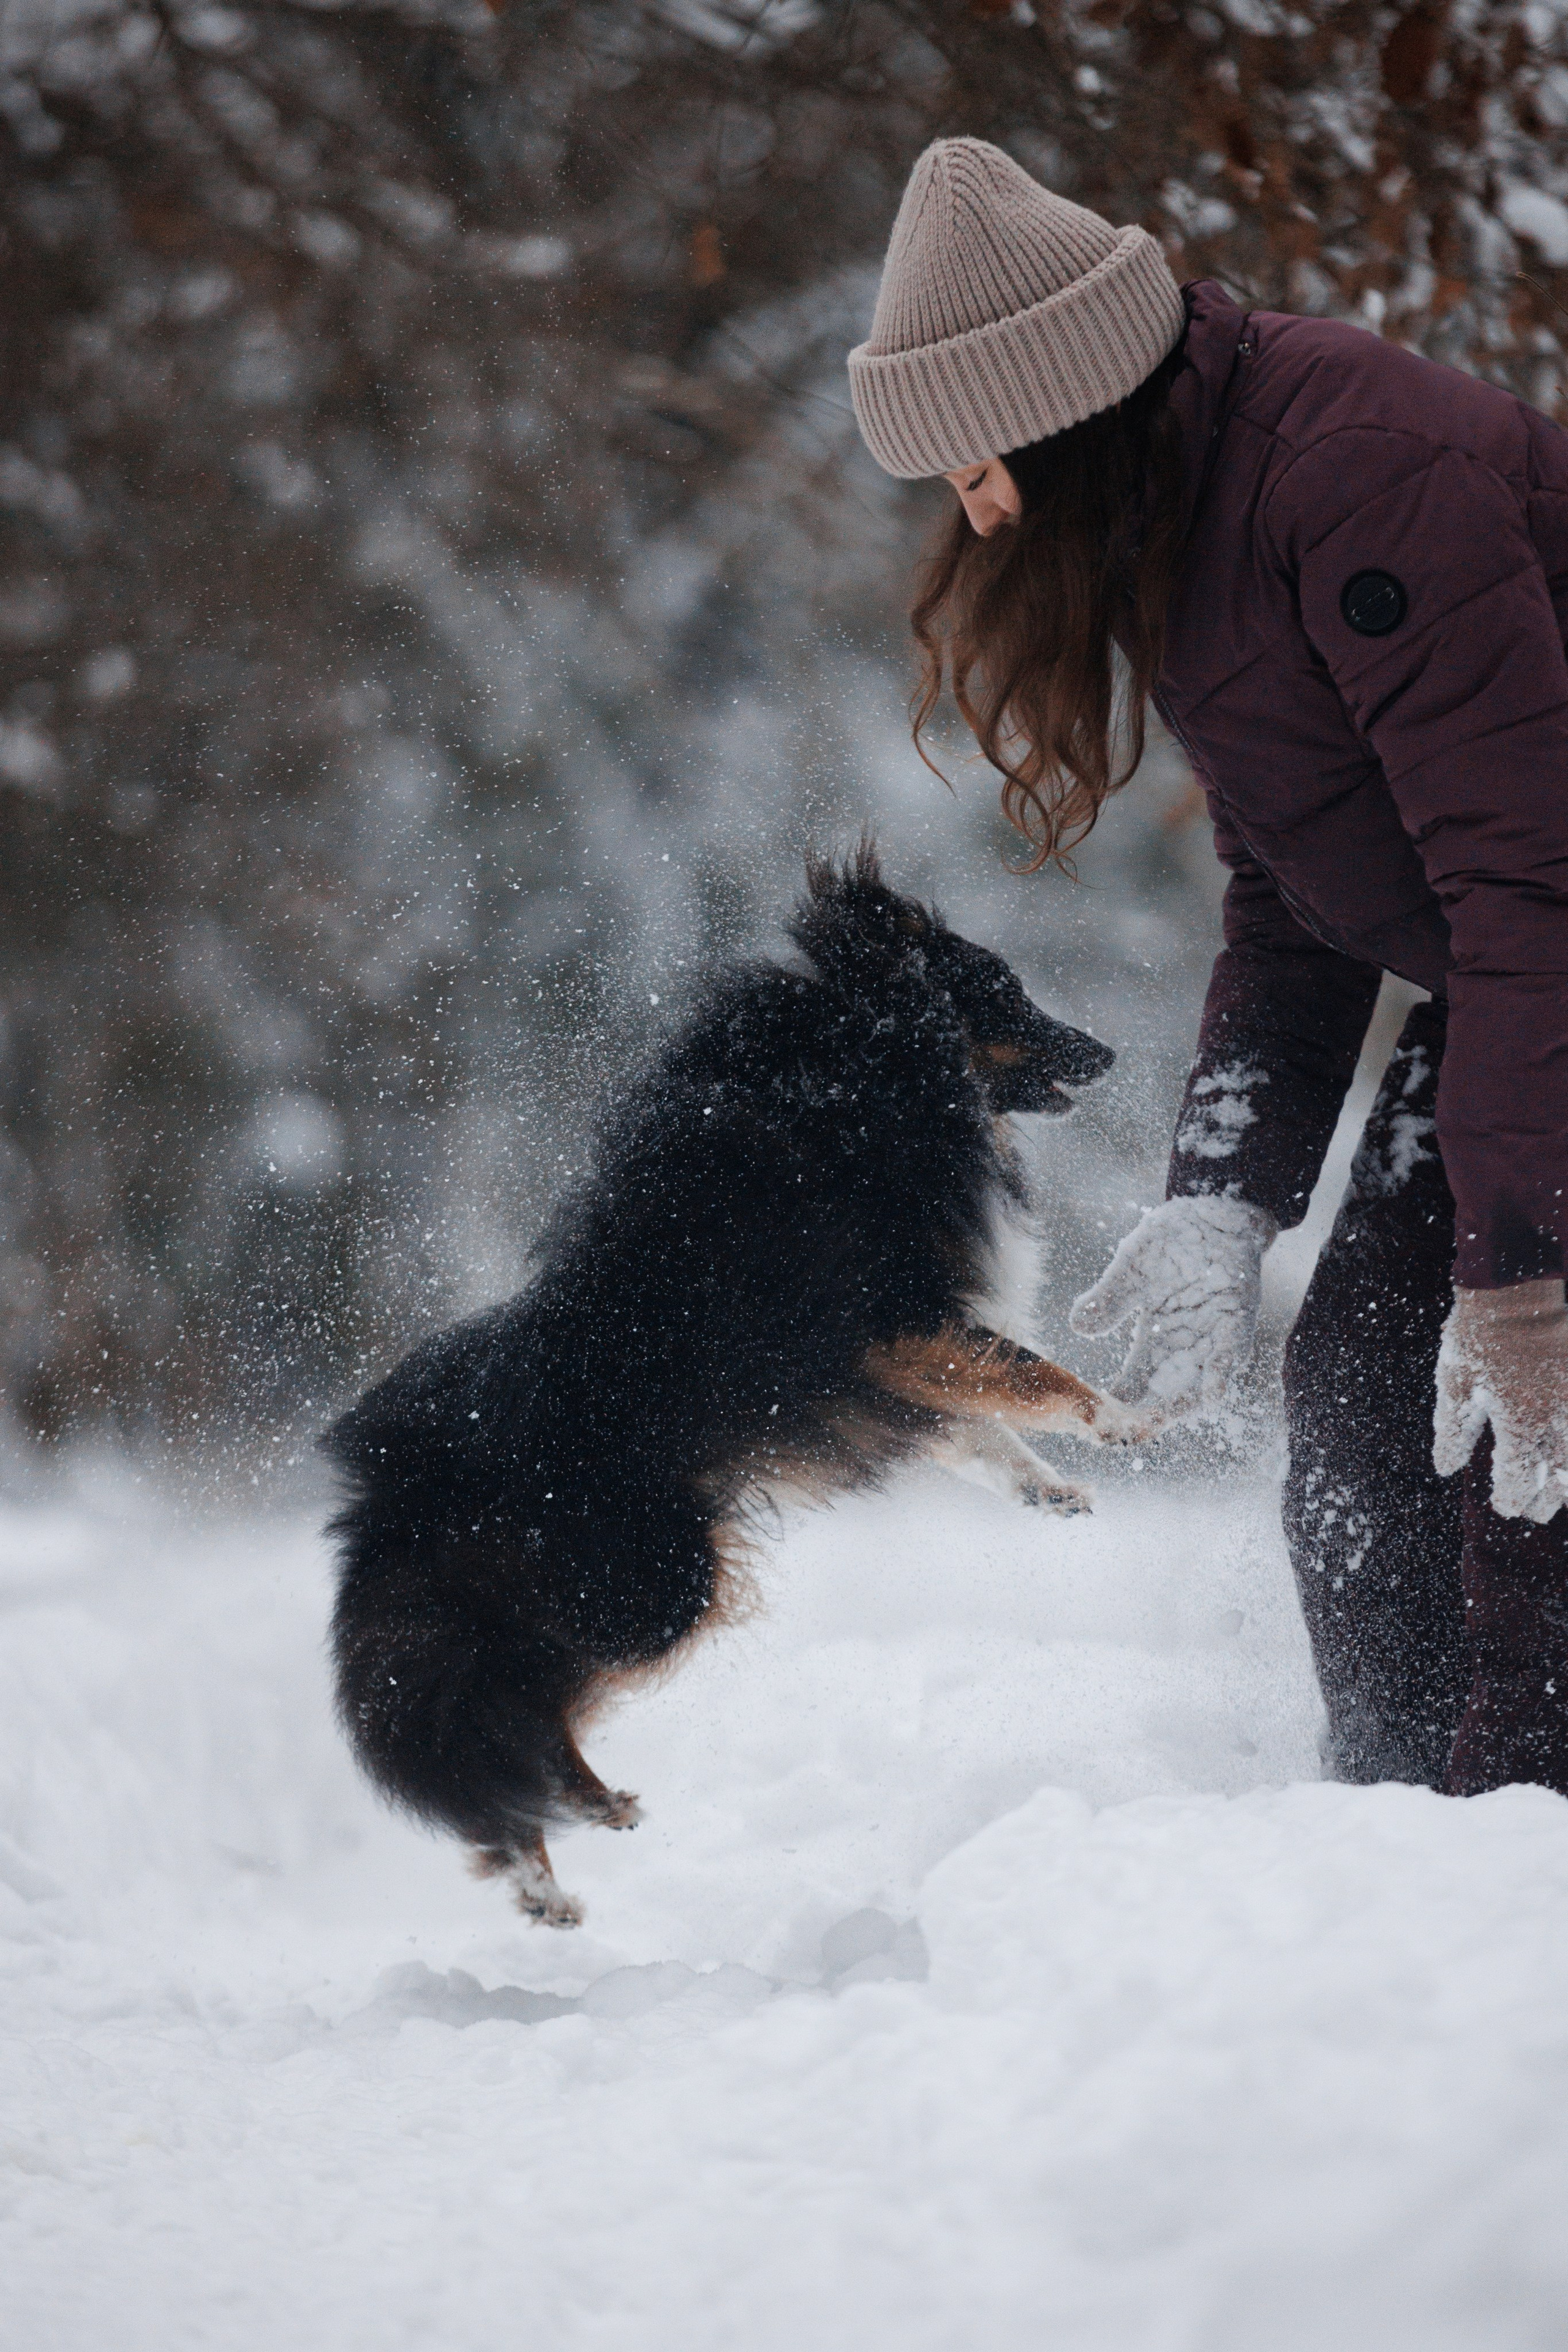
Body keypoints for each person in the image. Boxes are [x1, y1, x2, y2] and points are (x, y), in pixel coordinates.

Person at [846, 137, 1568, 1798]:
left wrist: (1524, 1263)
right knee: (1379, 1369)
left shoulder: (1354, 476)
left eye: (975, 460)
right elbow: (1301, 889)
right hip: (1521, 977)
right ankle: (1386, 1833)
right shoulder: (1191, 523)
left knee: (1519, 1431)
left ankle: (1505, 1852)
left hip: (1544, 945)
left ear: (1060, 402)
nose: (974, 509)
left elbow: (1533, 882)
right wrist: (1222, 1197)